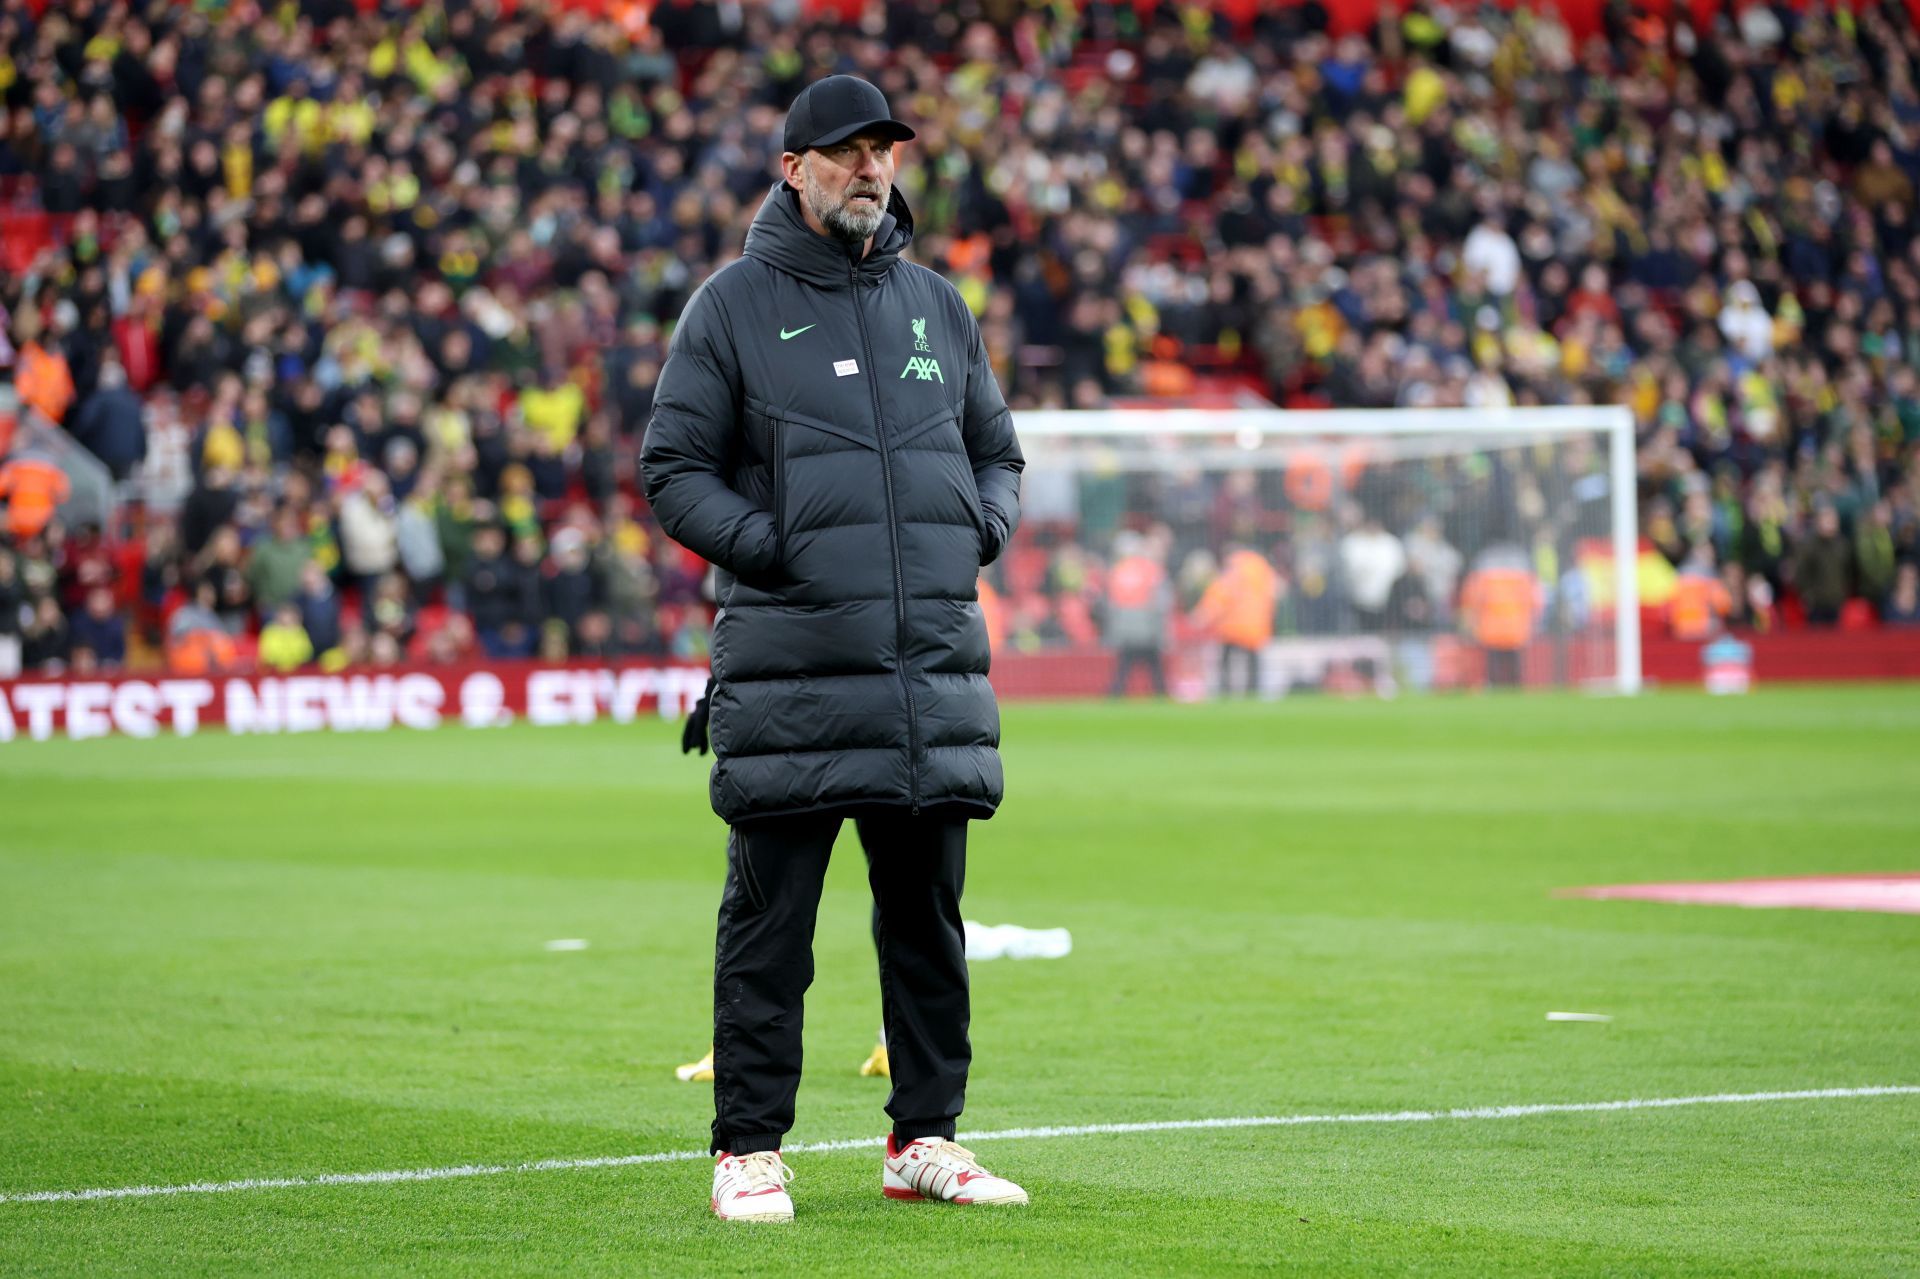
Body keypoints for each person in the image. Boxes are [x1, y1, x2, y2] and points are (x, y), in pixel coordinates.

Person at [641, 75, 1028, 1223]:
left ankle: (928, 1137)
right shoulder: (730, 307)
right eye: (846, 151)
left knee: (928, 927)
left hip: (928, 678)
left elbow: (997, 451)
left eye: (884, 150)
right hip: (791, 671)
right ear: (793, 169)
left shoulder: (937, 309)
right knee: (770, 925)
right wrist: (779, 549)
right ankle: (747, 1149)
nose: (871, 168)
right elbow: (673, 469)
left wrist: (981, 526)